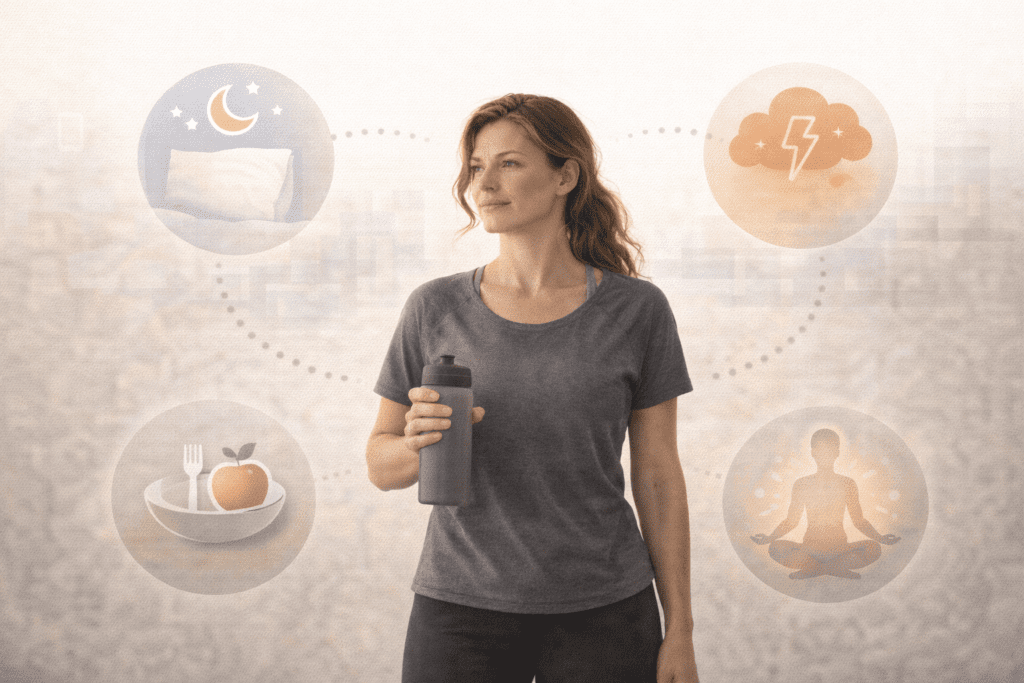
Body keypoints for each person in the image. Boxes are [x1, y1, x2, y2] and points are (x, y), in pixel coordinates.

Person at [366, 94, 699, 682]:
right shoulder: (434, 306)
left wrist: (681, 630)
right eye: (475, 167)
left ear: (565, 175)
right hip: (460, 610)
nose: (484, 184)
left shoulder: (637, 310)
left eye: (509, 164)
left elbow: (658, 476)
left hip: (606, 608)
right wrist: (416, 444)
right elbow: (380, 465)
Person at [750, 428, 900, 579]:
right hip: (809, 549)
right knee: (775, 548)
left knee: (873, 548)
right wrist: (769, 538)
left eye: (830, 449)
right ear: (813, 453)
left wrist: (880, 538)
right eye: (820, 450)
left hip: (840, 549)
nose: (825, 454)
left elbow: (858, 521)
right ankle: (833, 568)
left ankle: (815, 569)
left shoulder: (848, 483)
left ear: (837, 453)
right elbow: (791, 521)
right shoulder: (801, 484)